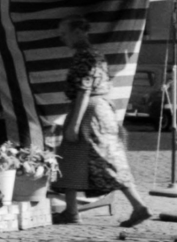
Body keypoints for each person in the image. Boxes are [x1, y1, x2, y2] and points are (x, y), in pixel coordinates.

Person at [59, 16, 150, 228]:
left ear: (78, 32)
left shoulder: (86, 58)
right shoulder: (95, 55)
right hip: (101, 111)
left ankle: (138, 206)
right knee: (74, 156)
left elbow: (84, 91)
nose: (62, 37)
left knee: (105, 160)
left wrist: (74, 124)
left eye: (64, 33)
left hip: (89, 113)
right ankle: (71, 211)